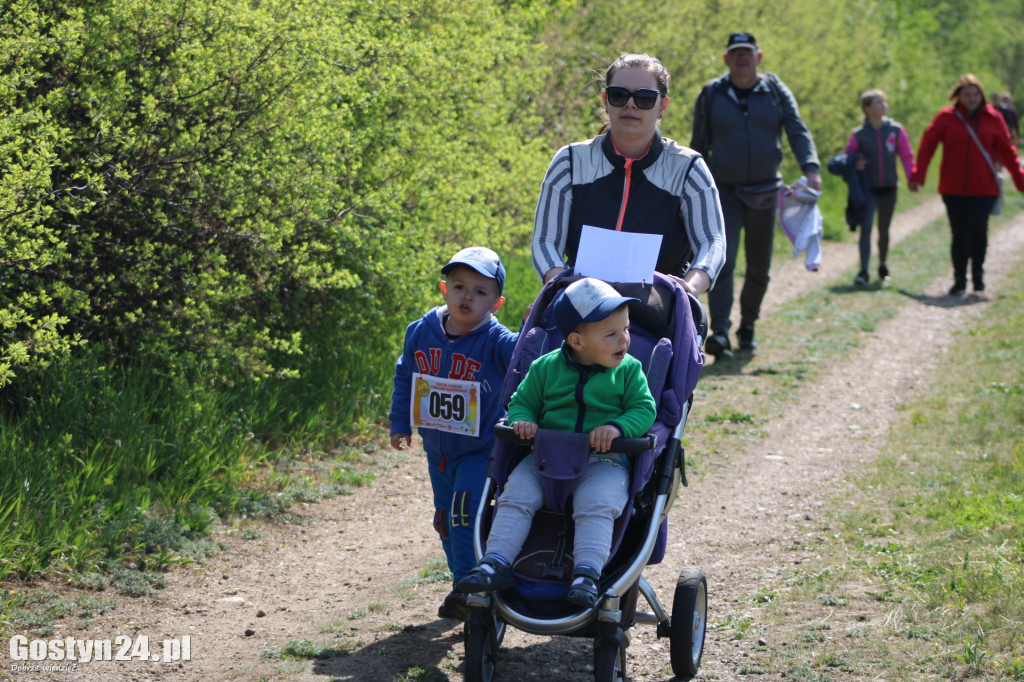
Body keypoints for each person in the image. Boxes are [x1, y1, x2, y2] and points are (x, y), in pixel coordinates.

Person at [456, 278, 656, 608]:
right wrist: (523, 420)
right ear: (577, 341)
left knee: (597, 503)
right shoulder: (545, 368)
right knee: (515, 495)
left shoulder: (629, 371)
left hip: (603, 461)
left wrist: (618, 427)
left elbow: (644, 408)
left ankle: (587, 573)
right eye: (611, 334)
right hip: (545, 459)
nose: (624, 339)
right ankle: (496, 562)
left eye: (626, 329)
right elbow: (521, 402)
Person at [388, 246, 519, 621]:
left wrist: (535, 328)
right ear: (444, 289)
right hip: (437, 449)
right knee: (445, 519)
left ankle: (468, 588)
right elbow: (406, 377)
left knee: (464, 516)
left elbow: (528, 355)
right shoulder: (420, 331)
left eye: (481, 292)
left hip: (481, 449)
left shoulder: (497, 340)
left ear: (497, 303)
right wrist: (400, 422)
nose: (468, 296)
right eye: (460, 286)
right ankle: (462, 584)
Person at [530, 53, 726, 298]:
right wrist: (560, 285)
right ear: (605, 101)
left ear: (662, 107)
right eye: (619, 95)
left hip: (658, 306)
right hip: (580, 302)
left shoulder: (689, 167)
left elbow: (713, 242)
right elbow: (545, 240)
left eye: (644, 98)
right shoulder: (569, 161)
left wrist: (689, 288)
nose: (630, 104)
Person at [690, 32, 822, 358]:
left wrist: (811, 168)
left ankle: (747, 324)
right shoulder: (711, 94)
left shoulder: (775, 91)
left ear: (758, 56)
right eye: (735, 53)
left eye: (747, 52)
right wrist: (691, 187)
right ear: (726, 59)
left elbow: (796, 129)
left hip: (766, 193)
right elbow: (698, 144)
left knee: (759, 267)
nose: (741, 58)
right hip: (724, 193)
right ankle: (720, 331)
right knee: (724, 260)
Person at [909, 74, 1024, 294]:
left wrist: (1020, 180)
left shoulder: (993, 118)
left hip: (984, 187)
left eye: (975, 94)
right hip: (953, 188)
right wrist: (918, 176)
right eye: (966, 95)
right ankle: (959, 279)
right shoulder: (946, 118)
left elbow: (1007, 152)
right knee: (959, 233)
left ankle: (978, 276)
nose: (971, 99)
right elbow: (927, 146)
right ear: (958, 97)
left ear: (981, 95)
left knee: (978, 229)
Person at [844, 89, 915, 285]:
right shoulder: (859, 135)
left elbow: (907, 155)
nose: (884, 105)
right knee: (866, 228)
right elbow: (847, 158)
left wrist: (912, 177)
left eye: (884, 102)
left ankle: (883, 264)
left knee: (884, 229)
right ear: (867, 109)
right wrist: (854, 163)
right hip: (869, 189)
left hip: (890, 187)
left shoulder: (896, 130)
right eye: (878, 103)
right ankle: (863, 271)